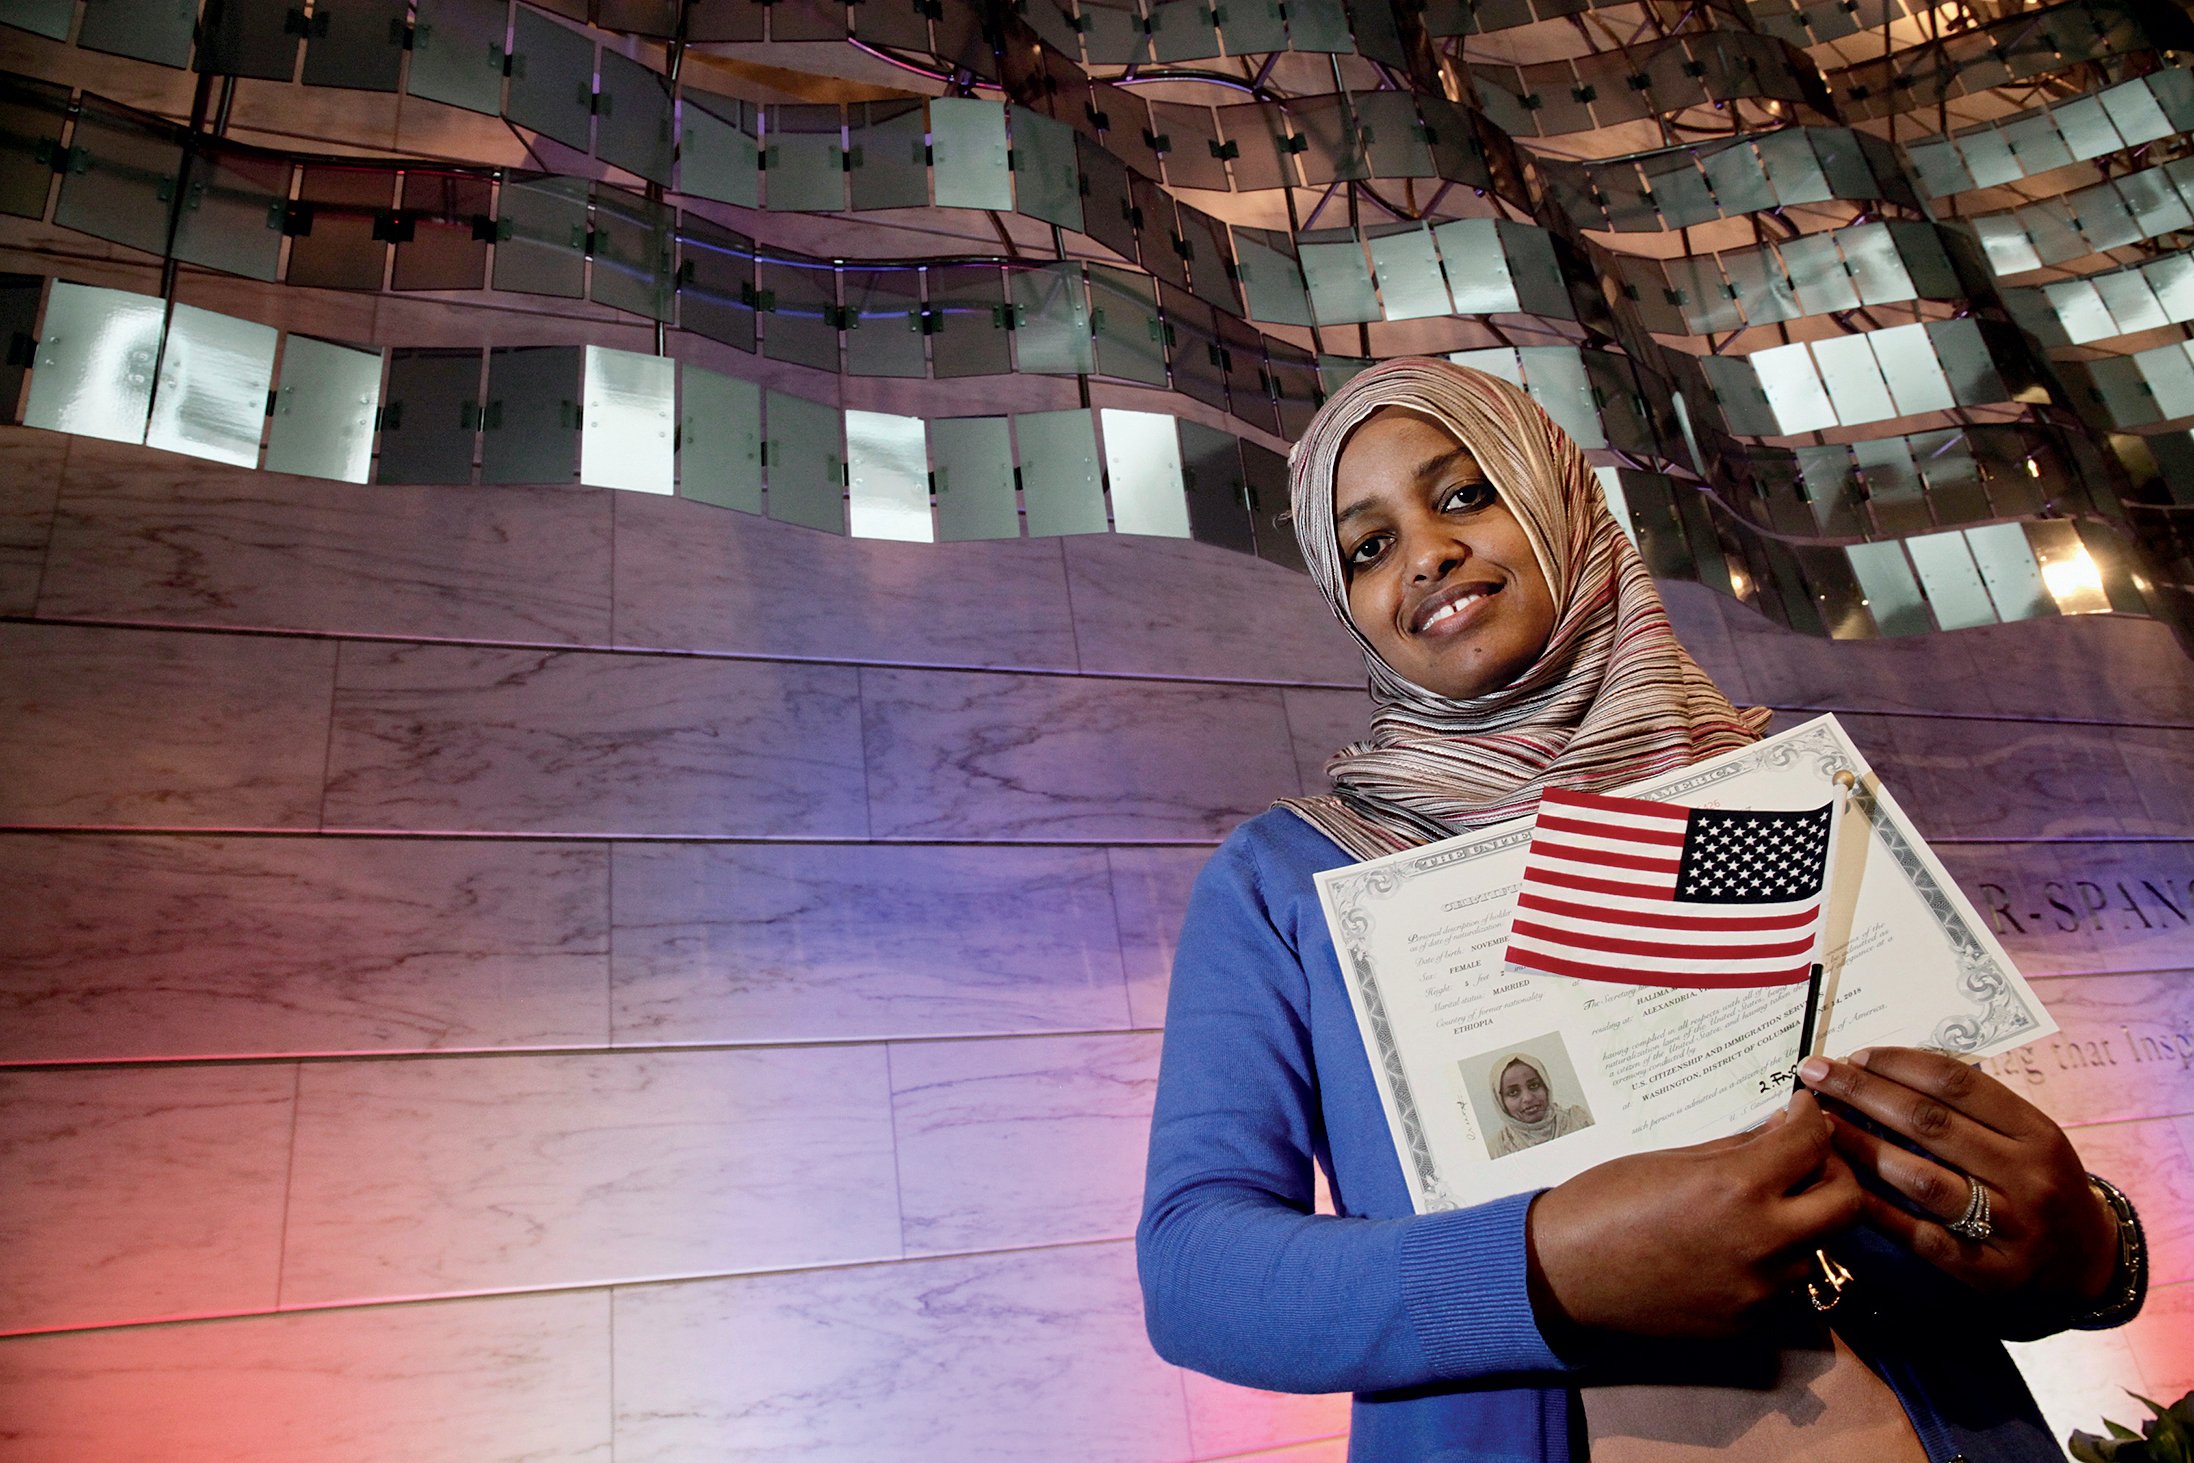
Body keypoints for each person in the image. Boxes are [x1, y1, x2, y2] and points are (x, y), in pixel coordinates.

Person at [1136, 358, 2145, 1463]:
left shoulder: (1775, 788)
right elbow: (1198, 1270)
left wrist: (2088, 1248)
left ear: (1562, 496)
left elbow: (1943, 1175)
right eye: (1367, 546)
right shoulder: (1292, 876)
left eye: (1467, 491)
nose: (1425, 553)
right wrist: (1534, 1268)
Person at [1487, 1053, 1592, 1157]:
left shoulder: (1578, 1120)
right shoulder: (1496, 1149)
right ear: (1500, 1101)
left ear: (1546, 1087)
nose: (1528, 1098)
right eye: (1513, 1092)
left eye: (1534, 1085)